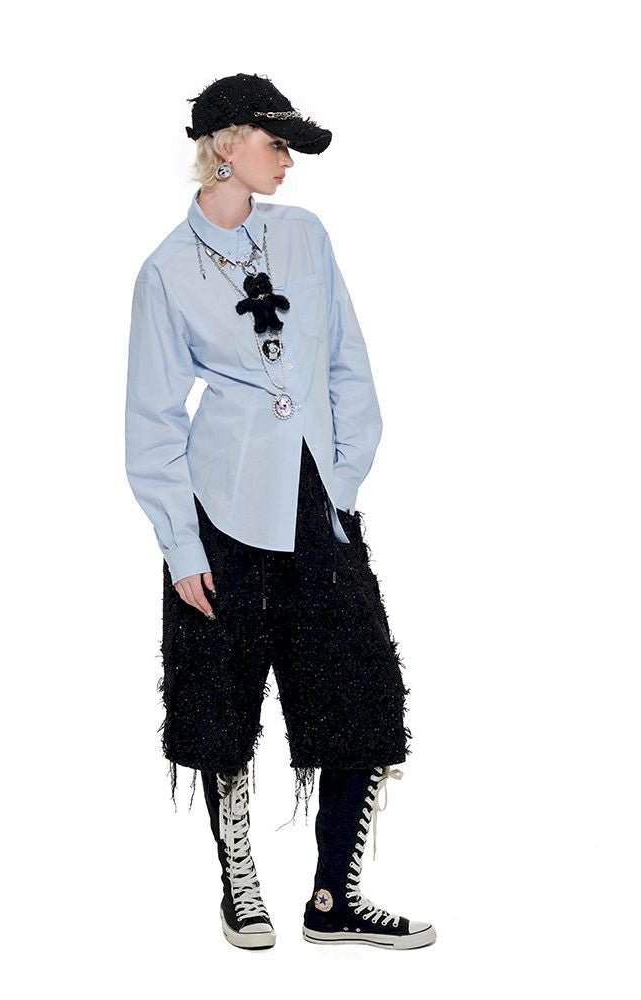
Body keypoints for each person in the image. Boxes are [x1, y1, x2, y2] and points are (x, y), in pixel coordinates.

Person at [124, 72, 436, 951]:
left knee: (360, 690)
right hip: (222, 511)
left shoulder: (304, 236)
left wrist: (343, 480)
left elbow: (347, 363)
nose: (288, 160)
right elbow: (153, 422)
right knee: (221, 699)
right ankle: (241, 884)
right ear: (226, 147)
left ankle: (336, 898)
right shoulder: (166, 272)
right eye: (275, 143)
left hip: (317, 504)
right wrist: (182, 546)